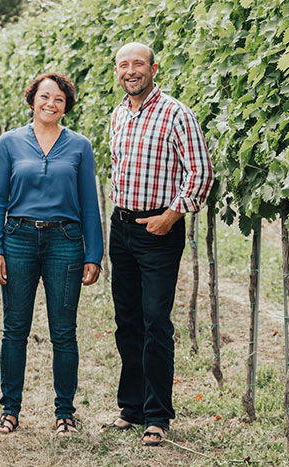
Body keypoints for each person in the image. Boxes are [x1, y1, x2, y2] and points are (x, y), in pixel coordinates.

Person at [103, 42, 213, 446]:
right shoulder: (118, 115)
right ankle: (131, 407)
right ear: (117, 72)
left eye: (137, 64)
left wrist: (172, 214)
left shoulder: (175, 113)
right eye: (123, 65)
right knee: (127, 320)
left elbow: (200, 172)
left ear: (152, 68)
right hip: (122, 227)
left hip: (158, 232)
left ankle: (157, 415)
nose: (130, 71)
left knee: (155, 322)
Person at [0, 72, 103, 436]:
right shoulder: (9, 143)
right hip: (18, 238)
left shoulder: (80, 145)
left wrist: (93, 254)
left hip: (65, 242)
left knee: (64, 332)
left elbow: (89, 203)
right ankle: (10, 411)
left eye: (59, 100)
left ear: (66, 106)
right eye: (45, 96)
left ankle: (65, 413)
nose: (50, 104)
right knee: (15, 329)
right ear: (32, 99)